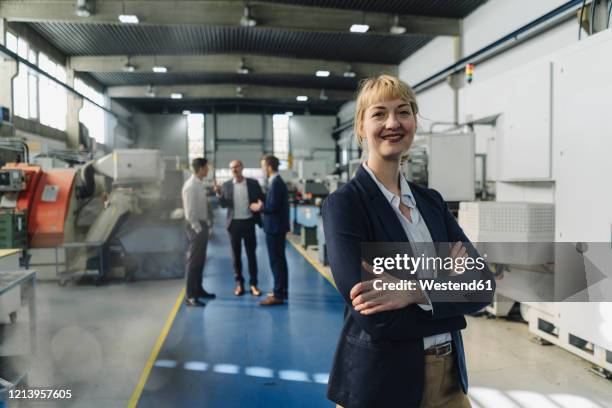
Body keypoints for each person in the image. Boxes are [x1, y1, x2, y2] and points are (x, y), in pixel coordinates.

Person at [322, 75, 495, 408]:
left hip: (449, 382)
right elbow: (375, 316)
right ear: (361, 126)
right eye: (379, 114)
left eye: (403, 112)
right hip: (383, 383)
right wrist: (450, 293)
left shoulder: (431, 202)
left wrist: (413, 292)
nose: (392, 123)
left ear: (414, 121)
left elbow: (483, 286)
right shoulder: (346, 205)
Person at [213, 160, 263, 296]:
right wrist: (218, 194)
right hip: (234, 224)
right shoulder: (227, 185)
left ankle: (253, 285)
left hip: (249, 223)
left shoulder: (253, 184)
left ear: (242, 167)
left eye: (236, 166)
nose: (234, 169)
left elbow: (261, 199)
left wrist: (261, 207)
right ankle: (239, 284)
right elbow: (224, 205)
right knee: (236, 256)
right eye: (231, 168)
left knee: (251, 255)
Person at [249, 154, 290, 306]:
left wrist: (259, 207)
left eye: (263, 166)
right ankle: (281, 290)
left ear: (269, 167)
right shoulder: (275, 182)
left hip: (274, 228)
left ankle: (278, 295)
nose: (262, 169)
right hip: (277, 227)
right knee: (280, 260)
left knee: (276, 261)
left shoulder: (276, 183)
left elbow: (272, 207)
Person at [181, 157, 216, 307]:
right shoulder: (191, 186)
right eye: (206, 167)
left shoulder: (198, 184)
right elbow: (189, 213)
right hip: (195, 227)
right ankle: (190, 296)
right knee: (194, 261)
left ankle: (198, 289)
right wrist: (199, 229)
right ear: (201, 168)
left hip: (201, 225)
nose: (208, 169)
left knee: (200, 260)